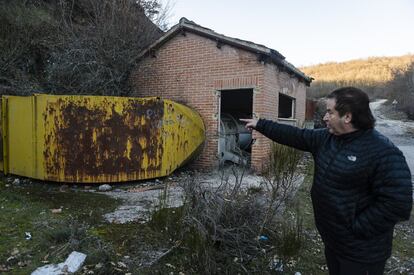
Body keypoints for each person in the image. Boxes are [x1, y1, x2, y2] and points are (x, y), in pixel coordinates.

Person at [241, 86, 413, 275]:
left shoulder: (383, 152)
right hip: (333, 241)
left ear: (347, 117)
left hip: (362, 254)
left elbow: (398, 203)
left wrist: (356, 228)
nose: (324, 117)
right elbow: (295, 135)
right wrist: (261, 124)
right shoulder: (326, 138)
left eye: (330, 112)